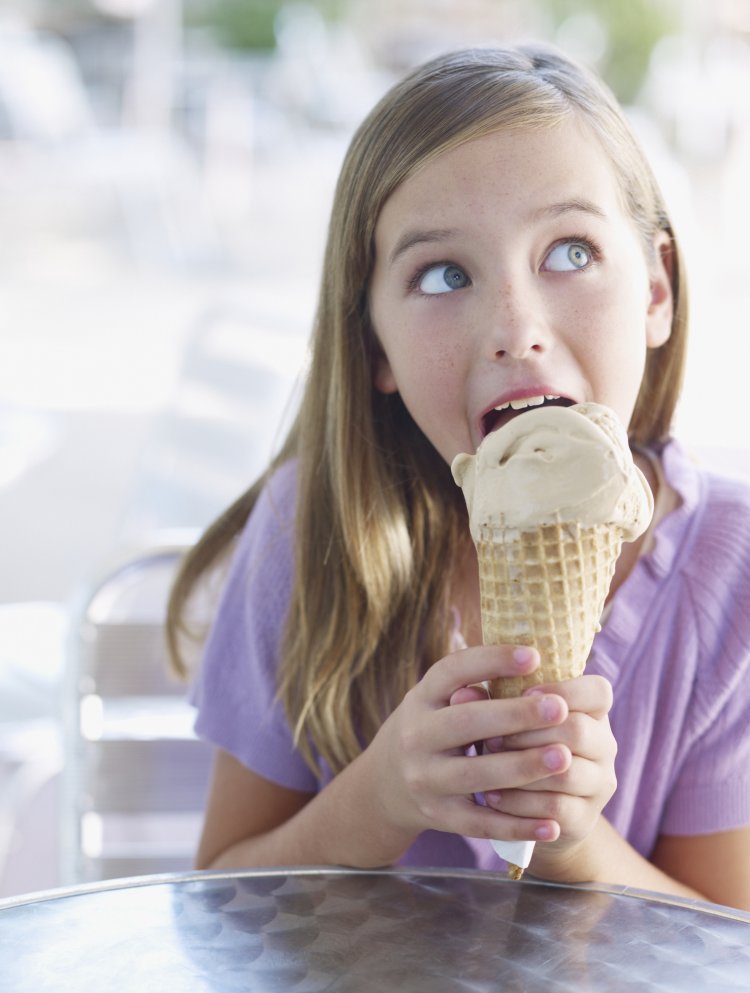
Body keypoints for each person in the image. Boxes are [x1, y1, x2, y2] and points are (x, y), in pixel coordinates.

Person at [167, 43, 750, 910]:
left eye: (569, 252)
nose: (516, 327)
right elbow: (217, 898)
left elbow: (728, 941)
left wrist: (578, 843)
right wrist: (382, 797)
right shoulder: (312, 530)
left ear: (657, 289)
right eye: (444, 274)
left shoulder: (730, 573)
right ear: (375, 348)